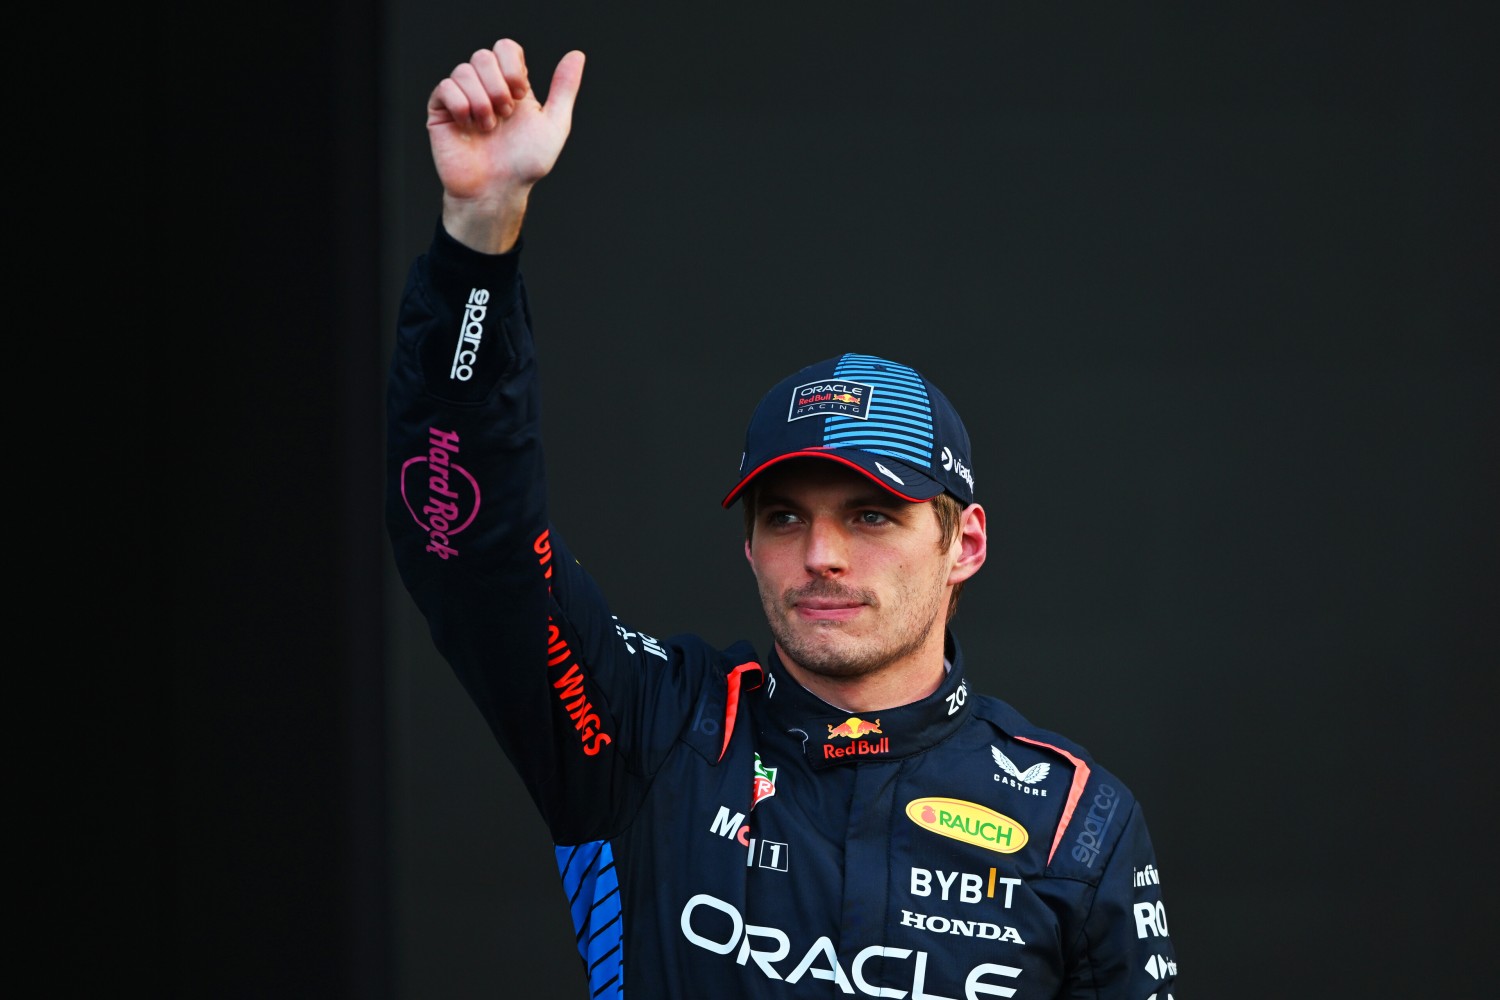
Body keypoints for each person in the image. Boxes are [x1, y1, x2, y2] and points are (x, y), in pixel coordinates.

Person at [386, 37, 1180, 1000]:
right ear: (749, 545)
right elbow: (469, 542)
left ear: (962, 543)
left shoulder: (1074, 826)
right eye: (783, 517)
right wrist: (478, 236)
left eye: (873, 515)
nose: (822, 555)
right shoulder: (655, 732)